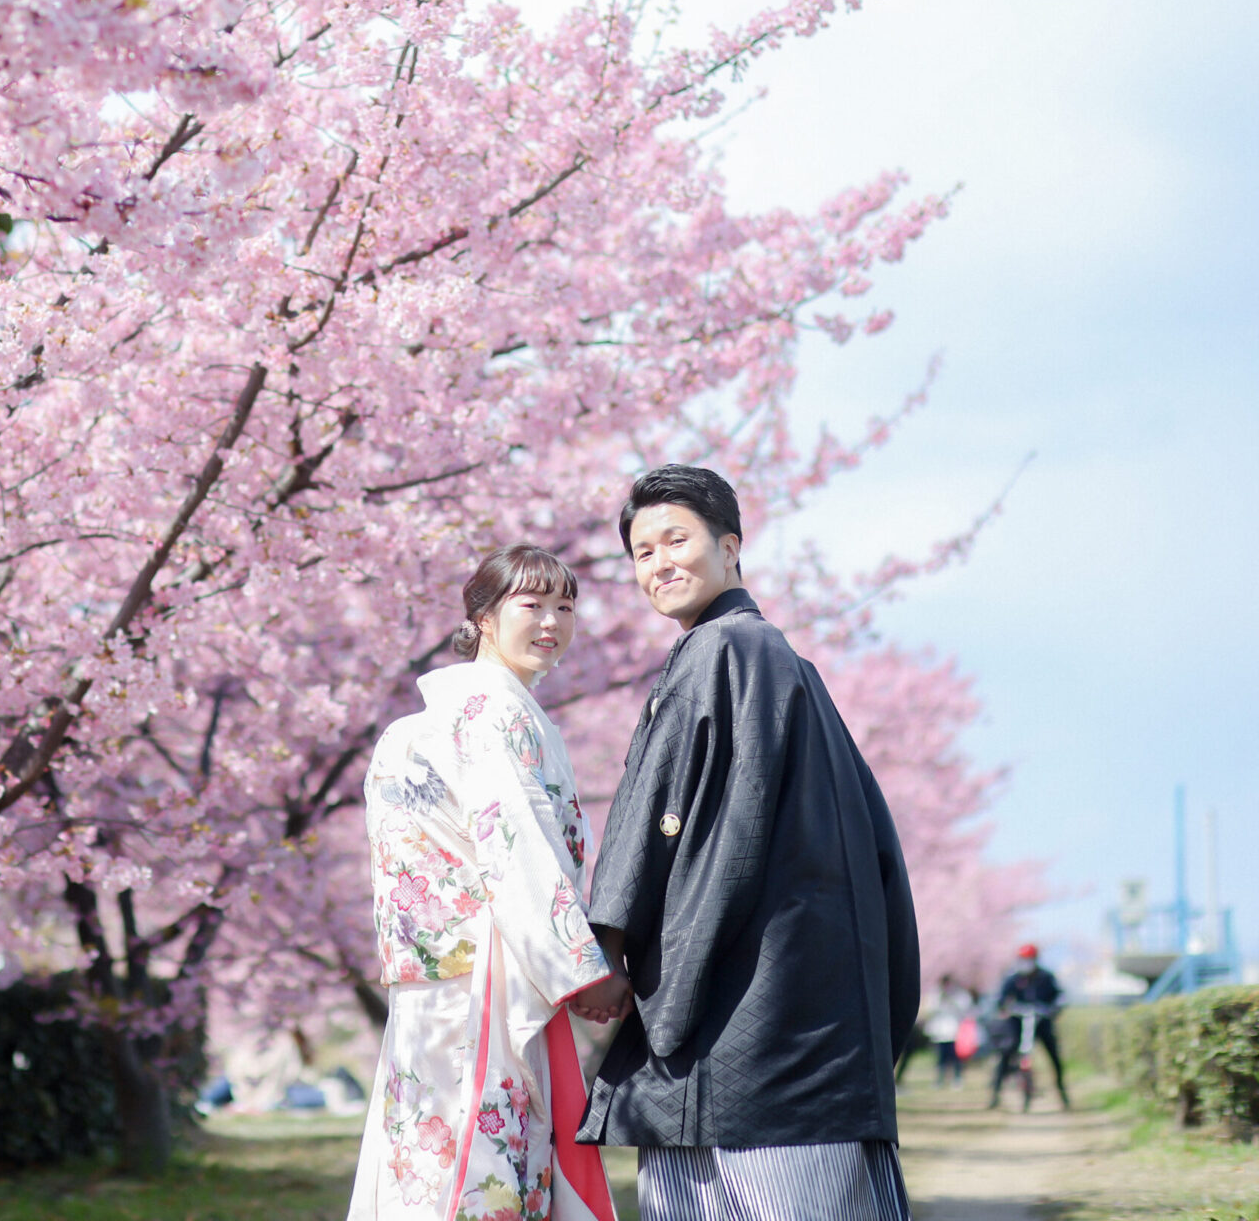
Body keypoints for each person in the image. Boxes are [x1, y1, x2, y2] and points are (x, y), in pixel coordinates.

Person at [577, 465, 920, 1221]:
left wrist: (608, 949)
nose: (659, 564)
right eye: (642, 552)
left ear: (730, 546)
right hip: (813, 1023)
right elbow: (879, 854)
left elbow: (655, 811)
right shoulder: (786, 664)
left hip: (744, 1026)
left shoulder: (720, 654)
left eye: (677, 540)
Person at [347, 544, 632, 1221]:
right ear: (481, 617)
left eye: (566, 607)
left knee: (426, 1169)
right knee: (482, 1176)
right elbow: (518, 849)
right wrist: (583, 972)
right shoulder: (491, 711)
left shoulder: (422, 725)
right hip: (486, 983)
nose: (551, 622)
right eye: (531, 604)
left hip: (435, 987)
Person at [988, 944, 1069, 1110]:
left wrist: (1054, 1008)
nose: (1026, 963)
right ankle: (995, 1093)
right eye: (1023, 959)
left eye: (1029, 959)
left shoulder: (1046, 977)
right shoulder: (1013, 978)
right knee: (1007, 1050)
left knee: (1054, 1055)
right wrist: (1006, 1007)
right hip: (1018, 1022)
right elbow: (1001, 998)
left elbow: (1059, 995)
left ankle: (1062, 1092)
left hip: (1041, 1021)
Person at [923, 974, 976, 1087]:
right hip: (940, 1031)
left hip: (955, 1030)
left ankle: (957, 1077)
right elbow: (930, 1010)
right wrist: (940, 1000)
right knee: (941, 1057)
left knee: (956, 1056)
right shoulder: (936, 994)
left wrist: (952, 1001)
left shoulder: (959, 994)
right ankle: (940, 1079)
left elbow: (966, 1009)